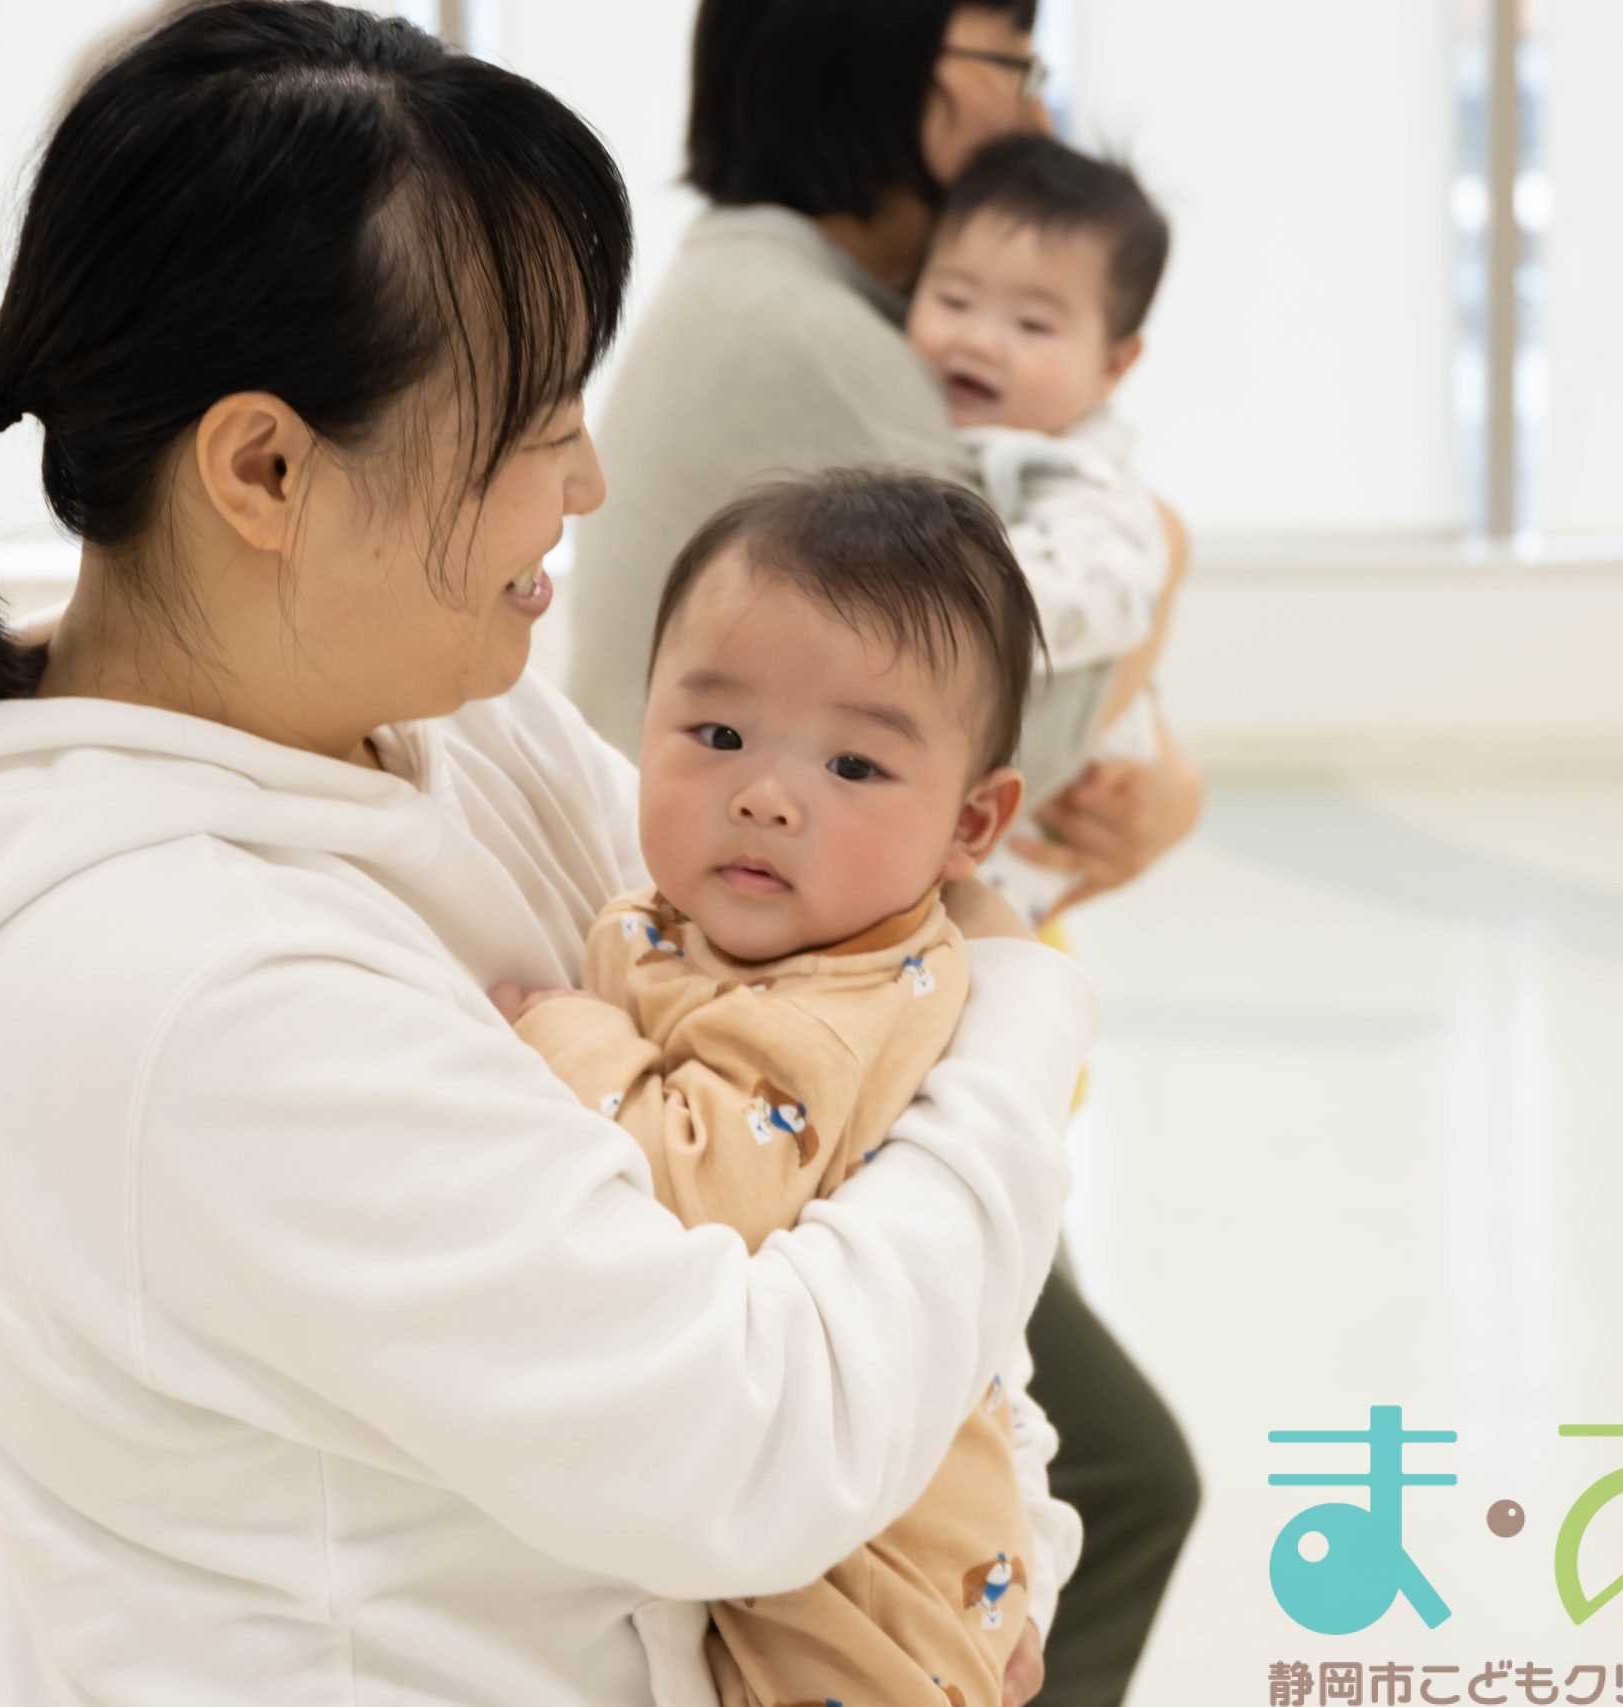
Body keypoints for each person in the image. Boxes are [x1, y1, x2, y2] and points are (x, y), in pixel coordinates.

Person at [0, 6, 1095, 1703]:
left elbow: (831, 1097)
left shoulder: (439, 715)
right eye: (535, 418)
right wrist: (1020, 1012)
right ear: (266, 465)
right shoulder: (183, 992)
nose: (590, 478)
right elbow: (755, 1436)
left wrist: (1005, 1549)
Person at [566, 4, 1199, 1700]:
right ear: (888, 63)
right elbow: (1009, 710)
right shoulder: (821, 338)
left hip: (794, 955)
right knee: (1120, 1475)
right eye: (1011, 64)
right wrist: (1168, 562)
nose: (1030, 112)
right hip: (806, 992)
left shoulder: (797, 296)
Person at [497, 471, 1074, 1707]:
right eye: (716, 737)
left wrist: (561, 1032)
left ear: (973, 824)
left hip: (869, 1596)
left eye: (855, 765)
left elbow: (702, 1183)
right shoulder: (720, 928)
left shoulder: (844, 999)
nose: (764, 795)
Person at [906, 134, 1178, 924]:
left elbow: (1106, 590)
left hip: (1036, 833)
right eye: (953, 300)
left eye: (1032, 324)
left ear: (1114, 365)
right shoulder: (939, 421)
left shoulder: (1085, 475)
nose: (978, 339)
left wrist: (927, 591)